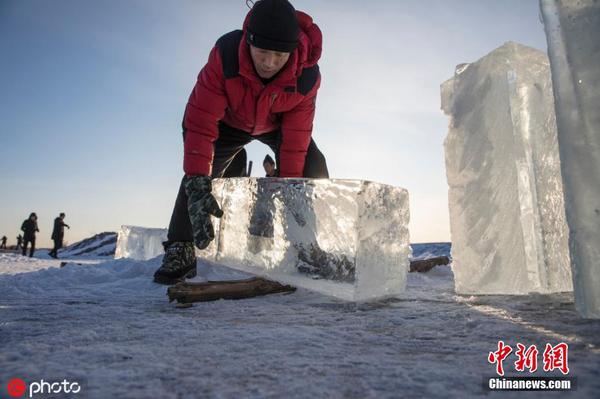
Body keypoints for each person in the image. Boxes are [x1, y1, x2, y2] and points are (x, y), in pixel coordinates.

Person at [153, 0, 328, 284]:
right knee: (199, 178)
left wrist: (291, 191)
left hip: (276, 124)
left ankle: (305, 246)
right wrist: (198, 178)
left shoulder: (307, 75)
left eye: (279, 54)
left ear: (293, 50)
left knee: (311, 161)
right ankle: (180, 246)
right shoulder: (226, 56)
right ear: (248, 42)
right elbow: (200, 122)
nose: (269, 62)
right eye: (262, 52)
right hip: (229, 122)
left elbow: (296, 137)